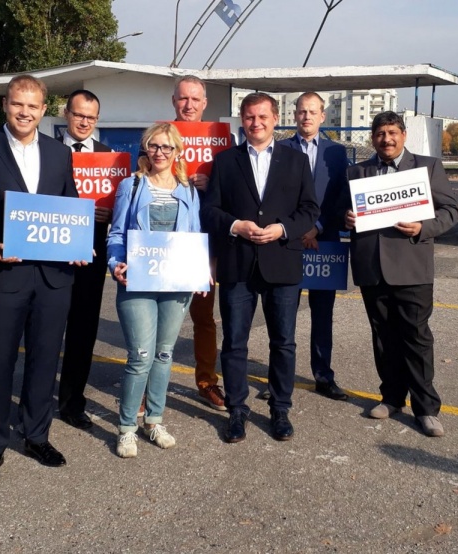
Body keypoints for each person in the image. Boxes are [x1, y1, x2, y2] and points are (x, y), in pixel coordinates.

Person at [0, 75, 86, 485]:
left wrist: (79, 242)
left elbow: (67, 208)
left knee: (45, 361)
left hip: (52, 278)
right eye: (17, 104)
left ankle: (36, 435)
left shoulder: (59, 154)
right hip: (3, 275)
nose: (25, 112)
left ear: (44, 109)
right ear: (5, 105)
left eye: (32, 106)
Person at [202, 92, 319, 443]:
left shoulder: (296, 161)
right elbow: (210, 210)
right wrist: (236, 225)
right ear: (242, 119)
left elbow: (309, 209)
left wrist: (283, 228)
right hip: (238, 265)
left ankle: (280, 408)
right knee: (235, 343)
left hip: (282, 263)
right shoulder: (224, 162)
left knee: (283, 342)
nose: (256, 123)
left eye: (263, 117)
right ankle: (237, 410)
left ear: (275, 117)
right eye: (250, 117)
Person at [342, 111, 458, 437]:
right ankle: (391, 397)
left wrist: (424, 227)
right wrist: (346, 219)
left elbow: (451, 211)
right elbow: (340, 211)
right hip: (371, 268)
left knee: (416, 338)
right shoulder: (357, 171)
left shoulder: (428, 167)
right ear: (373, 138)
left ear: (404, 134)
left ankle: (426, 408)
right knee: (383, 337)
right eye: (380, 134)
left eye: (392, 132)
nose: (387, 139)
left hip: (411, 269)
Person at [107, 122, 205, 458]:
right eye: (154, 146)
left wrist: (200, 273)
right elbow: (117, 233)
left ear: (178, 152)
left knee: (165, 354)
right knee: (141, 356)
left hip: (176, 284)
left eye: (167, 147)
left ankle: (155, 420)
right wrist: (115, 263)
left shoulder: (189, 191)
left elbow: (194, 237)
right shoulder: (131, 185)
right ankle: (127, 428)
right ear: (146, 149)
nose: (160, 153)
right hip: (139, 282)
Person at [266, 91, 350, 401]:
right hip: (288, 242)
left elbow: (340, 197)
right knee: (282, 313)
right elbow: (273, 195)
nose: (306, 117)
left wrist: (317, 227)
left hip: (324, 243)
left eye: (312, 111)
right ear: (294, 114)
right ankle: (277, 378)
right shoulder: (280, 148)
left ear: (323, 116)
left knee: (322, 313)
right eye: (301, 111)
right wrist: (299, 228)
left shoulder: (337, 153)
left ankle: (323, 376)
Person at [57, 89, 114, 431]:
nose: (84, 122)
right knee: (45, 332)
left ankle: (72, 402)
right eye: (79, 115)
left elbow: (121, 207)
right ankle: (32, 400)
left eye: (91, 117)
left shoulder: (108, 156)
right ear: (66, 113)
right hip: (52, 255)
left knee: (83, 332)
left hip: (93, 257)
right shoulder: (46, 151)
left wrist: (108, 214)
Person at [171, 75, 227, 411]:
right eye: (183, 99)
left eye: (195, 99)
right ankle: (149, 385)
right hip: (165, 242)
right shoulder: (158, 137)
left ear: (205, 103)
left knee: (203, 318)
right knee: (163, 318)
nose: (189, 105)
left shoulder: (217, 140)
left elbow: (231, 192)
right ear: (173, 101)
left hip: (206, 243)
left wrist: (210, 184)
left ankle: (207, 382)